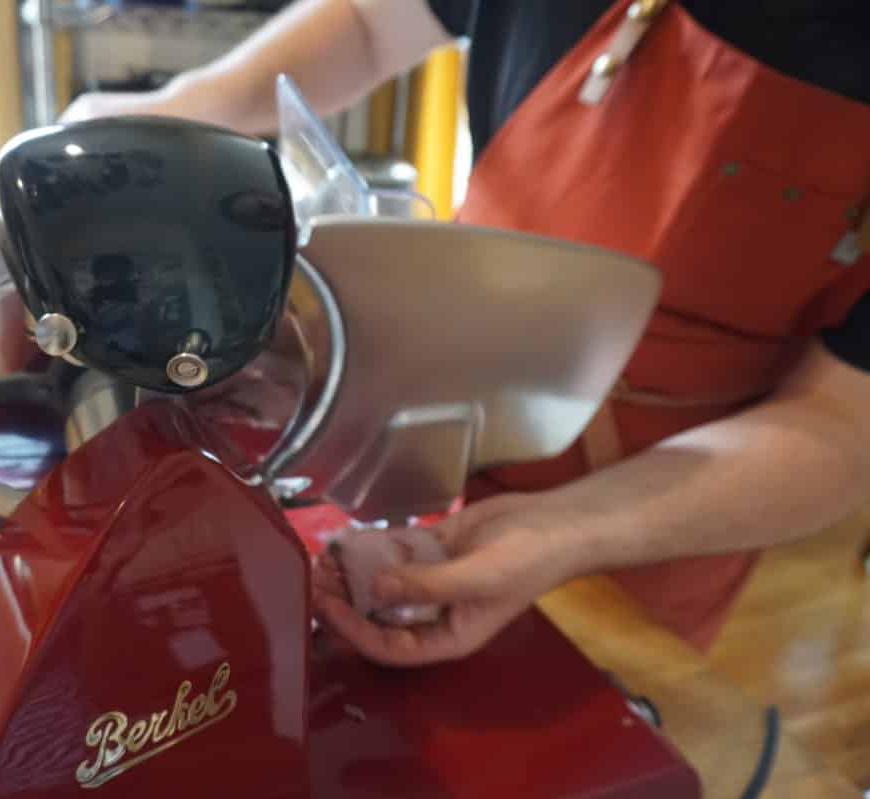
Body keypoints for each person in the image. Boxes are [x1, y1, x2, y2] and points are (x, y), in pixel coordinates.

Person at [62, 0, 870, 666]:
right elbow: (374, 21)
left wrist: (567, 531)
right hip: (443, 372)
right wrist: (177, 111)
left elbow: (844, 420)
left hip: (670, 498)